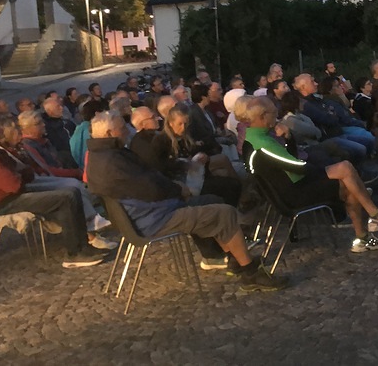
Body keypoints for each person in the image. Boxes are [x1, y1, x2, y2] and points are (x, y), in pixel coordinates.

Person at [86, 110, 284, 290]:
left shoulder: (102, 155)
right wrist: (178, 190)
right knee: (225, 212)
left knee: (212, 201)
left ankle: (235, 259)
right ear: (110, 133)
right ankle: (250, 273)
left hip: (146, 214)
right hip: (154, 218)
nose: (127, 131)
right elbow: (150, 188)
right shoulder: (113, 161)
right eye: (122, 128)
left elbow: (148, 182)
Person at [242, 96, 378, 252]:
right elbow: (297, 166)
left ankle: (368, 228)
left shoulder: (256, 138)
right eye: (274, 112)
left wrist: (289, 137)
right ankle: (371, 222)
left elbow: (291, 160)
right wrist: (326, 171)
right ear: (263, 116)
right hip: (292, 194)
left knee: (347, 178)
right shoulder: (261, 144)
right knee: (346, 173)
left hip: (293, 185)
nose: (277, 115)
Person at [0, 115, 109, 268]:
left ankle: (83, 245)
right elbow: (13, 184)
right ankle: (74, 253)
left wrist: (21, 174)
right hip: (5, 203)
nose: (0, 129)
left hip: (14, 195)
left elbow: (23, 173)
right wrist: (21, 174)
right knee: (66, 197)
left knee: (71, 192)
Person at [41, 97, 77, 168]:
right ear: (50, 111)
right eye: (58, 107)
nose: (61, 108)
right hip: (67, 155)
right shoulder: (48, 127)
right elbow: (58, 145)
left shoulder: (66, 122)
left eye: (61, 106)